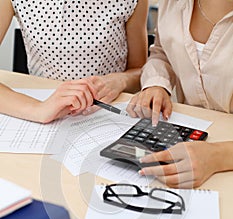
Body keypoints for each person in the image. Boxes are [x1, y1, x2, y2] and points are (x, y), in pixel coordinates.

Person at [127, 0, 233, 188]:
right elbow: (162, 52)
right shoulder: (172, 3)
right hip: (192, 144)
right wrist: (157, 84)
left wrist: (218, 156)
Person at [0, 0, 148, 123]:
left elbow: (140, 71)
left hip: (107, 111)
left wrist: (121, 80)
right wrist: (38, 109)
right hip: (44, 108)